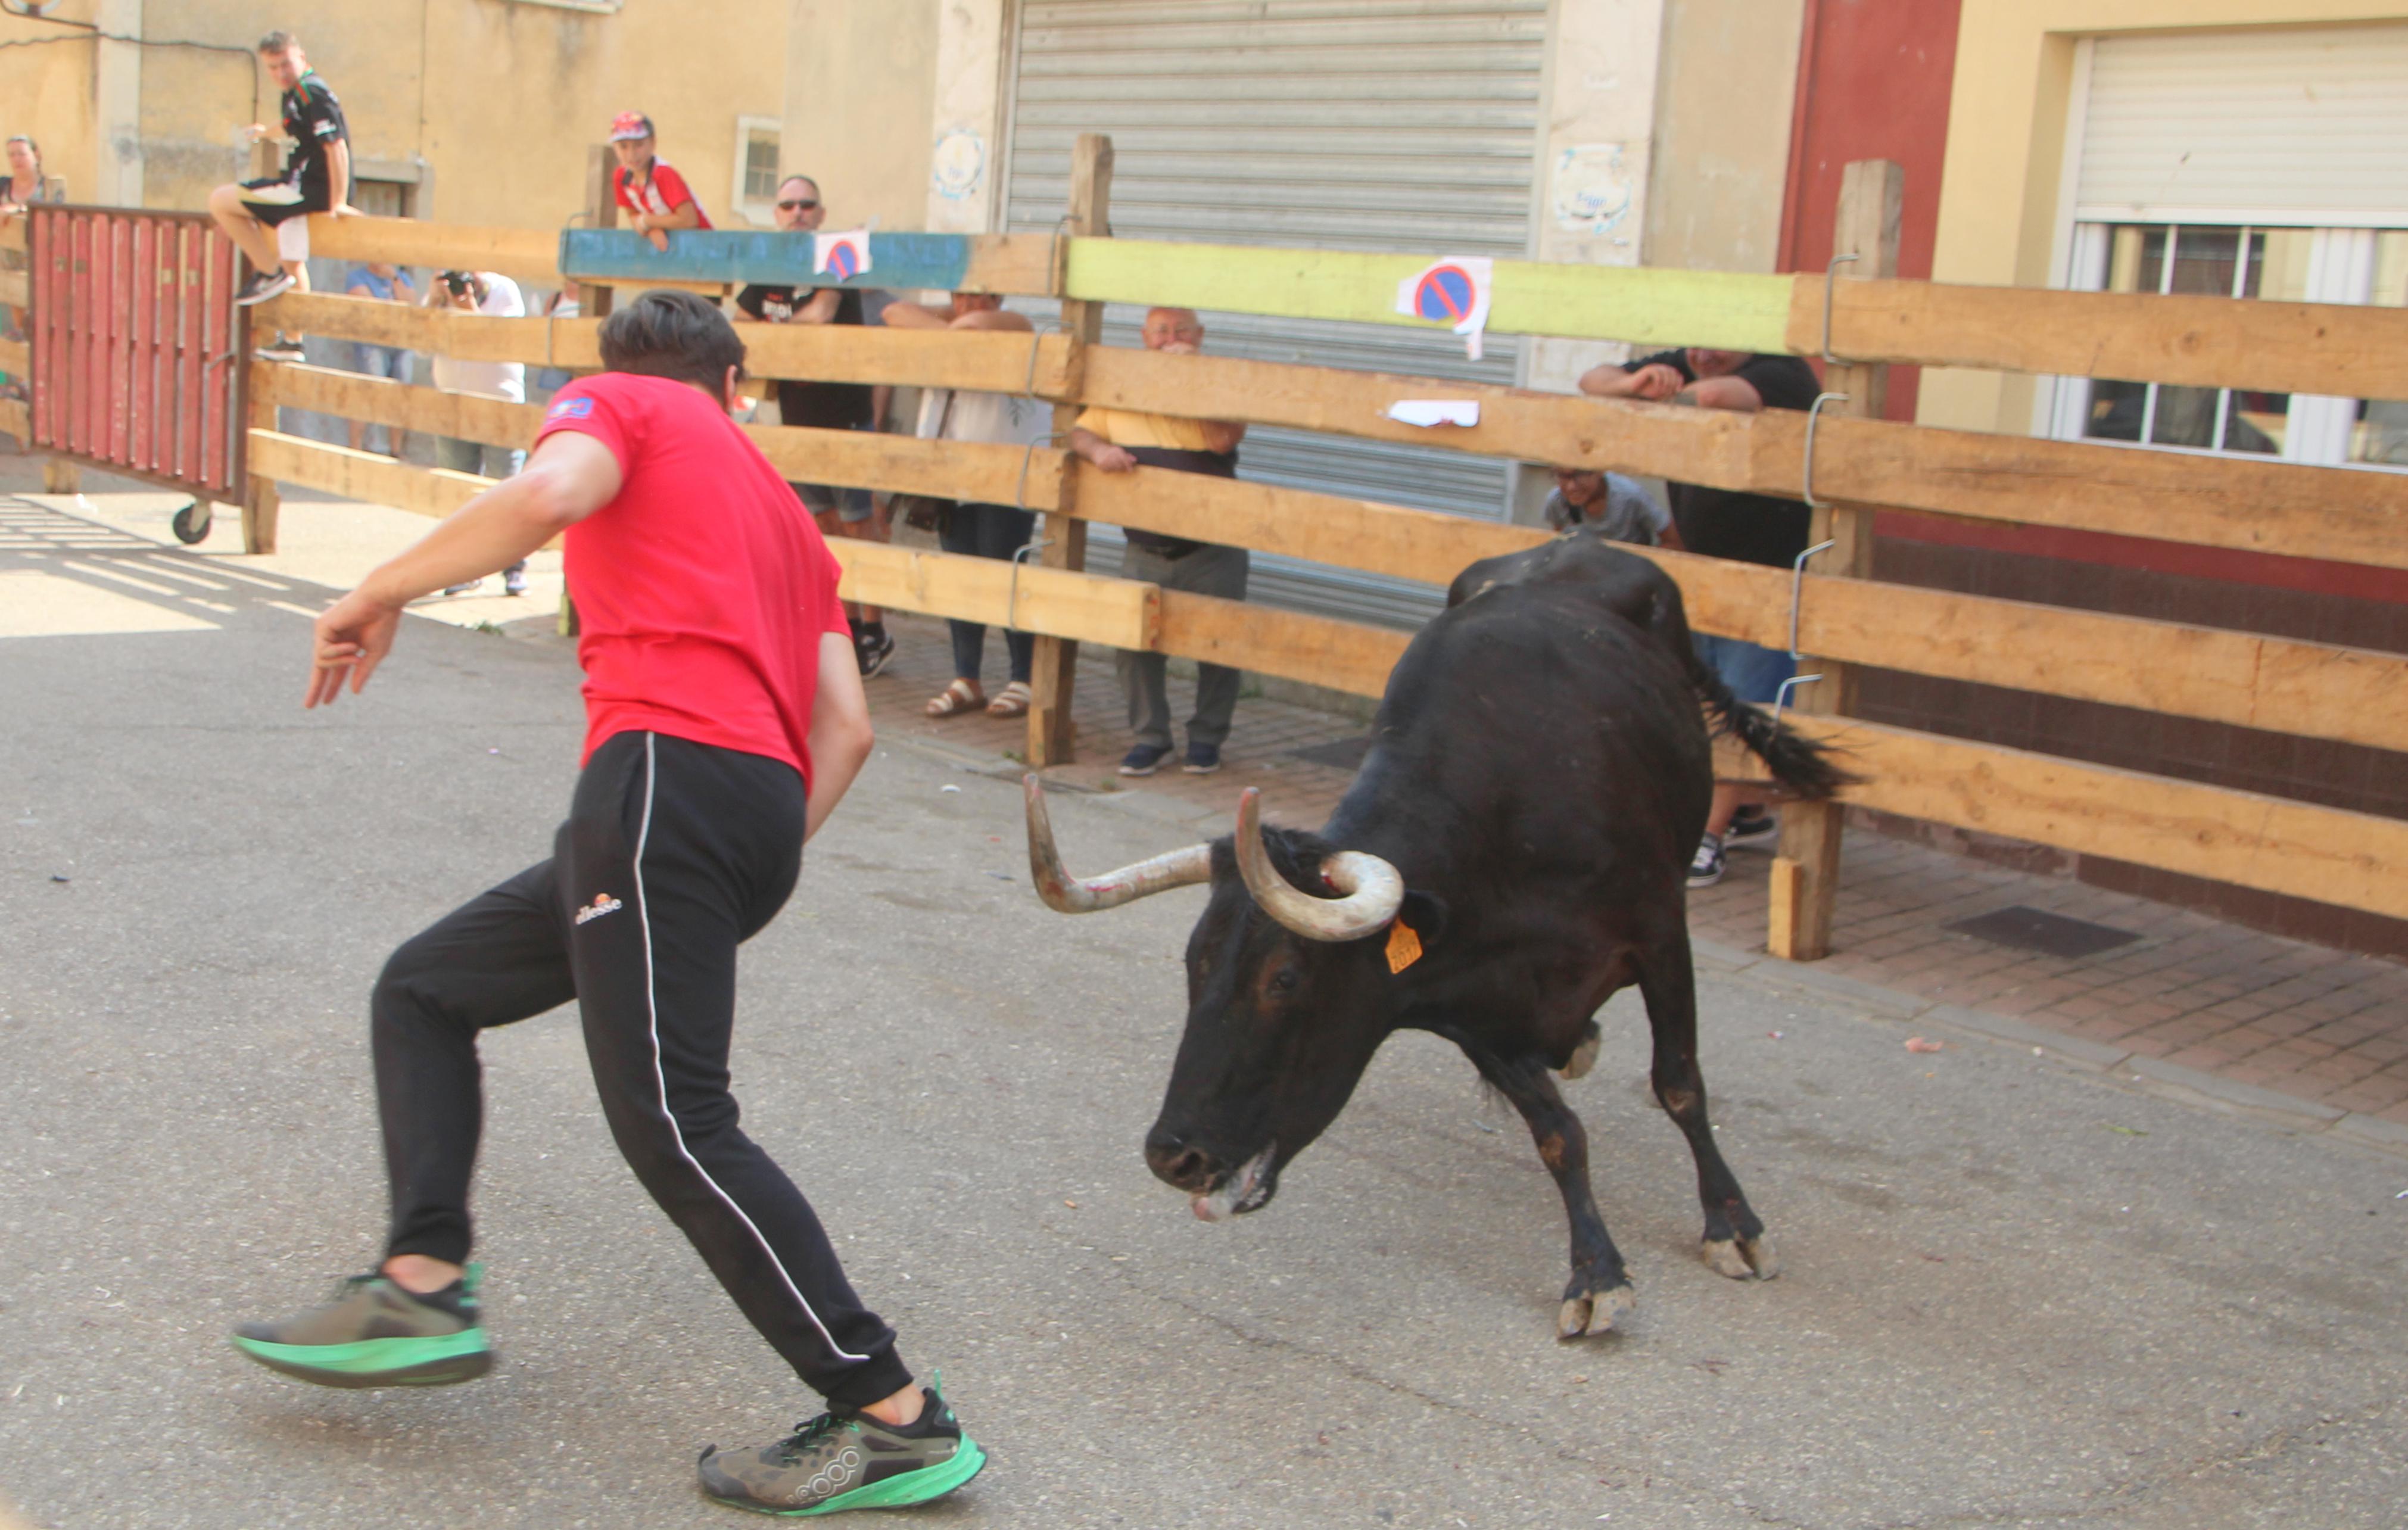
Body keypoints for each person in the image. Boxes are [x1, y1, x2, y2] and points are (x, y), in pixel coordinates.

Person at [238, 290, 985, 1517]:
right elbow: (845, 731)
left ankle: (889, 1411)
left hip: (656, 791)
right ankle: (422, 1277)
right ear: (737, 388)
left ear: (629, 376)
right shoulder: (787, 518)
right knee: (425, 988)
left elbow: (549, 494)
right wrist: (732, 865)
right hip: (737, 815)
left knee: (678, 1122)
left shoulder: (620, 404)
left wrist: (378, 589)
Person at [1578, 345, 1822, 887]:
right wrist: (1629, 383)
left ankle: (1705, 837)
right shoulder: (1684, 364)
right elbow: (1591, 378)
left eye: (1718, 344)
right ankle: (1747, 814)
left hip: (1768, 579)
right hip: (1703, 572)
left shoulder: (1781, 373)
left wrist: (1650, 390)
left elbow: (1715, 397)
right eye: (1695, 344)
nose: (1704, 354)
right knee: (1695, 696)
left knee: (1742, 702)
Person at [1067, 307, 1248, 777]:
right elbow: (1079, 431)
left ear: (1200, 336)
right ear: (1144, 337)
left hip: (1212, 549)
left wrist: (1192, 374)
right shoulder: (1124, 386)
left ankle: (1206, 741)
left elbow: (1222, 440)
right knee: (1134, 646)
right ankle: (1151, 738)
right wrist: (1098, 450)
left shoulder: (1218, 381)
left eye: (1182, 330)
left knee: (1218, 646)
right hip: (1144, 548)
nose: (1171, 339)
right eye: (1162, 331)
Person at [733, 174, 893, 677]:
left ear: (821, 214)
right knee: (820, 526)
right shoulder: (769, 270)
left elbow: (823, 313)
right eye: (787, 205)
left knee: (858, 524)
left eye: (807, 205)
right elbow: (734, 322)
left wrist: (771, 330)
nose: (797, 212)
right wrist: (769, 329)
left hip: (844, 416)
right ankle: (843, 623)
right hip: (795, 420)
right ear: (776, 214)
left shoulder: (833, 258)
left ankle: (874, 626)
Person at [883, 291, 1049, 718]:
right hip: (950, 470)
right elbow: (892, 311)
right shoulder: (951, 318)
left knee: (1003, 568)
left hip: (1003, 471)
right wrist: (948, 324)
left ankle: (1024, 676)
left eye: (984, 294)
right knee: (958, 573)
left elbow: (977, 326)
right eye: (962, 295)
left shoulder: (1013, 320)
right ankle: (967, 677)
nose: (973, 302)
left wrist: (947, 326)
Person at [209, 31, 354, 348]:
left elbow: (337, 145)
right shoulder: (295, 93)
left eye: (285, 64)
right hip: (303, 189)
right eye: (273, 68)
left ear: (301, 58)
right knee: (293, 260)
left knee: (221, 201)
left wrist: (339, 202)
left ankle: (267, 271)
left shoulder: (311, 92)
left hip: (306, 189)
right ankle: (293, 342)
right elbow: (290, 125)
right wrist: (265, 132)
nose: (280, 73)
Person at [423, 270, 531, 596]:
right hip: (453, 404)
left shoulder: (505, 290)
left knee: (508, 489)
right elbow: (419, 348)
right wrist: (432, 302)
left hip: (500, 406)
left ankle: (514, 568)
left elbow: (501, 341)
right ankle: (463, 569)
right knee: (458, 491)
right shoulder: (438, 295)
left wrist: (470, 308)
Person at [0, 136, 61, 381]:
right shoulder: (4, 185)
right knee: (17, 332)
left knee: (41, 325)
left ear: (37, 155)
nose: (16, 160)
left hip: (43, 265)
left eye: (22, 154)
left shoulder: (49, 187)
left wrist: (16, 210)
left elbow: (55, 213)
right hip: (8, 266)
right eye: (12, 155)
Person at [608, 111, 712, 253]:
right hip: (675, 251)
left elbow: (689, 220)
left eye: (639, 145)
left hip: (704, 246)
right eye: (623, 146)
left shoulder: (663, 174)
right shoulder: (621, 177)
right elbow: (633, 214)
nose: (631, 154)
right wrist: (650, 230)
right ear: (615, 148)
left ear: (653, 143)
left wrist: (648, 222)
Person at [342, 261, 416, 457]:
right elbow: (373, 310)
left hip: (401, 344)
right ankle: (356, 449)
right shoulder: (357, 277)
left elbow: (412, 306)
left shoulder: (401, 277)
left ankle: (396, 451)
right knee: (369, 393)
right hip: (372, 343)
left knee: (401, 396)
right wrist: (396, 307)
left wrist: (393, 278)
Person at [1542, 465, 1681, 546]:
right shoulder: (1557, 501)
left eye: (1580, 474)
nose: (1571, 487)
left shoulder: (1630, 497)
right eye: (1562, 476)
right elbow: (1560, 545)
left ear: (1600, 470)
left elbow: (1674, 542)